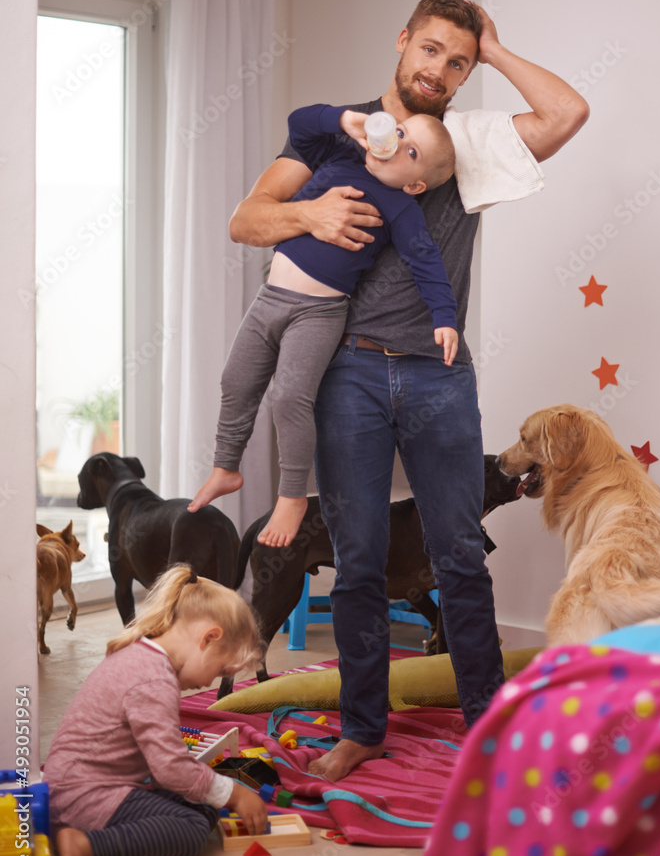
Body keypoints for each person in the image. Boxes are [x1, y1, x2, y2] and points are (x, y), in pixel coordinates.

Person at [229, 0, 590, 781]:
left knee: (458, 555)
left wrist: (495, 51)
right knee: (357, 562)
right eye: (430, 49)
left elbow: (566, 112)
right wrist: (311, 215)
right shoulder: (335, 132)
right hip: (347, 372)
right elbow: (247, 217)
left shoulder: (472, 141)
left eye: (457, 59)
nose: (440, 69)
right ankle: (362, 726)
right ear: (402, 41)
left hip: (438, 375)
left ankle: (487, 726)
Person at [188, 103, 459, 548]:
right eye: (401, 131)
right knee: (235, 380)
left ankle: (293, 494)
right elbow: (298, 124)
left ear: (414, 184)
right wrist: (343, 120)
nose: (396, 143)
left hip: (318, 313)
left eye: (410, 152)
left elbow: (425, 260)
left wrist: (444, 318)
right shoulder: (342, 155)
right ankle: (225, 467)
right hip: (268, 300)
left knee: (289, 397)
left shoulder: (399, 206)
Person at [44, 565, 266, 856]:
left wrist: (210, 791)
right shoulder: (154, 680)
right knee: (192, 829)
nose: (209, 682)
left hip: (76, 790)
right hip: (84, 797)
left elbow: (167, 768)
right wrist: (234, 793)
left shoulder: (141, 654)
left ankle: (94, 846)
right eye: (220, 670)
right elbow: (170, 769)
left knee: (201, 803)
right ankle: (86, 844)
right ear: (209, 638)